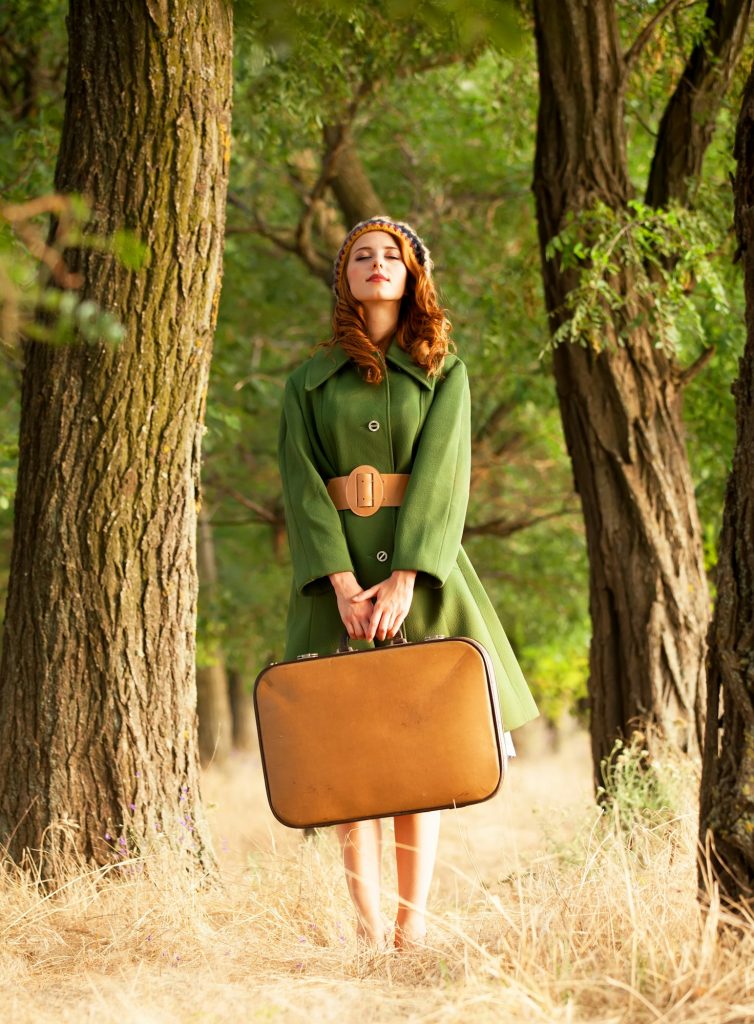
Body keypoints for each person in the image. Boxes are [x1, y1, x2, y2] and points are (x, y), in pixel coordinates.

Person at [277, 216, 539, 951]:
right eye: (360, 256)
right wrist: (340, 582)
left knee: (415, 762)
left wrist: (403, 580)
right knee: (348, 761)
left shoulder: (442, 368)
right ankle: (365, 930)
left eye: (390, 254)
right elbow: (300, 486)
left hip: (423, 582)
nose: (375, 264)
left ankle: (410, 929)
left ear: (413, 272)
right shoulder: (305, 379)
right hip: (337, 589)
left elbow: (444, 478)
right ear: (345, 280)